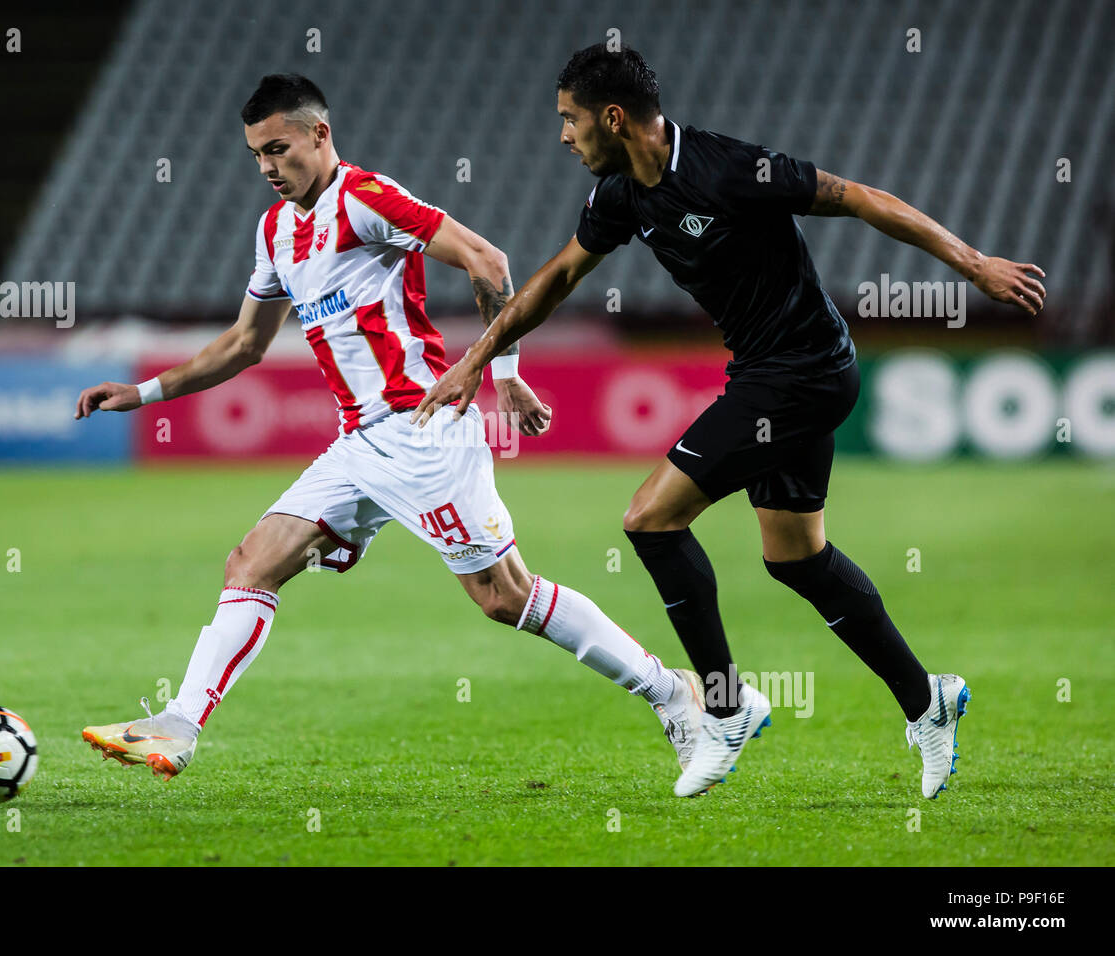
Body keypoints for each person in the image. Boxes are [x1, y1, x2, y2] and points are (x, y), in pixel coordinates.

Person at [413, 45, 1047, 799]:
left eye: (569, 119)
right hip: (769, 372)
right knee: (797, 560)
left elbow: (857, 196)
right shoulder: (620, 195)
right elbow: (555, 278)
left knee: (650, 519)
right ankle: (927, 701)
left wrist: (973, 265)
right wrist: (481, 356)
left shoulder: (728, 169)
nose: (563, 136)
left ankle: (724, 707)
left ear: (612, 118)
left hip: (804, 372)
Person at [73, 73, 705, 782]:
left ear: (320, 133)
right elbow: (246, 343)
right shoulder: (275, 230)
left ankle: (672, 691)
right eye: (256, 155)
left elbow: (488, 259)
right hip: (357, 444)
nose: (267, 168)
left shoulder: (365, 198)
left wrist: (502, 375)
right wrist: (143, 392)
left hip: (424, 432)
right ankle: (180, 725)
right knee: (251, 564)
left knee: (506, 597)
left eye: (279, 149)